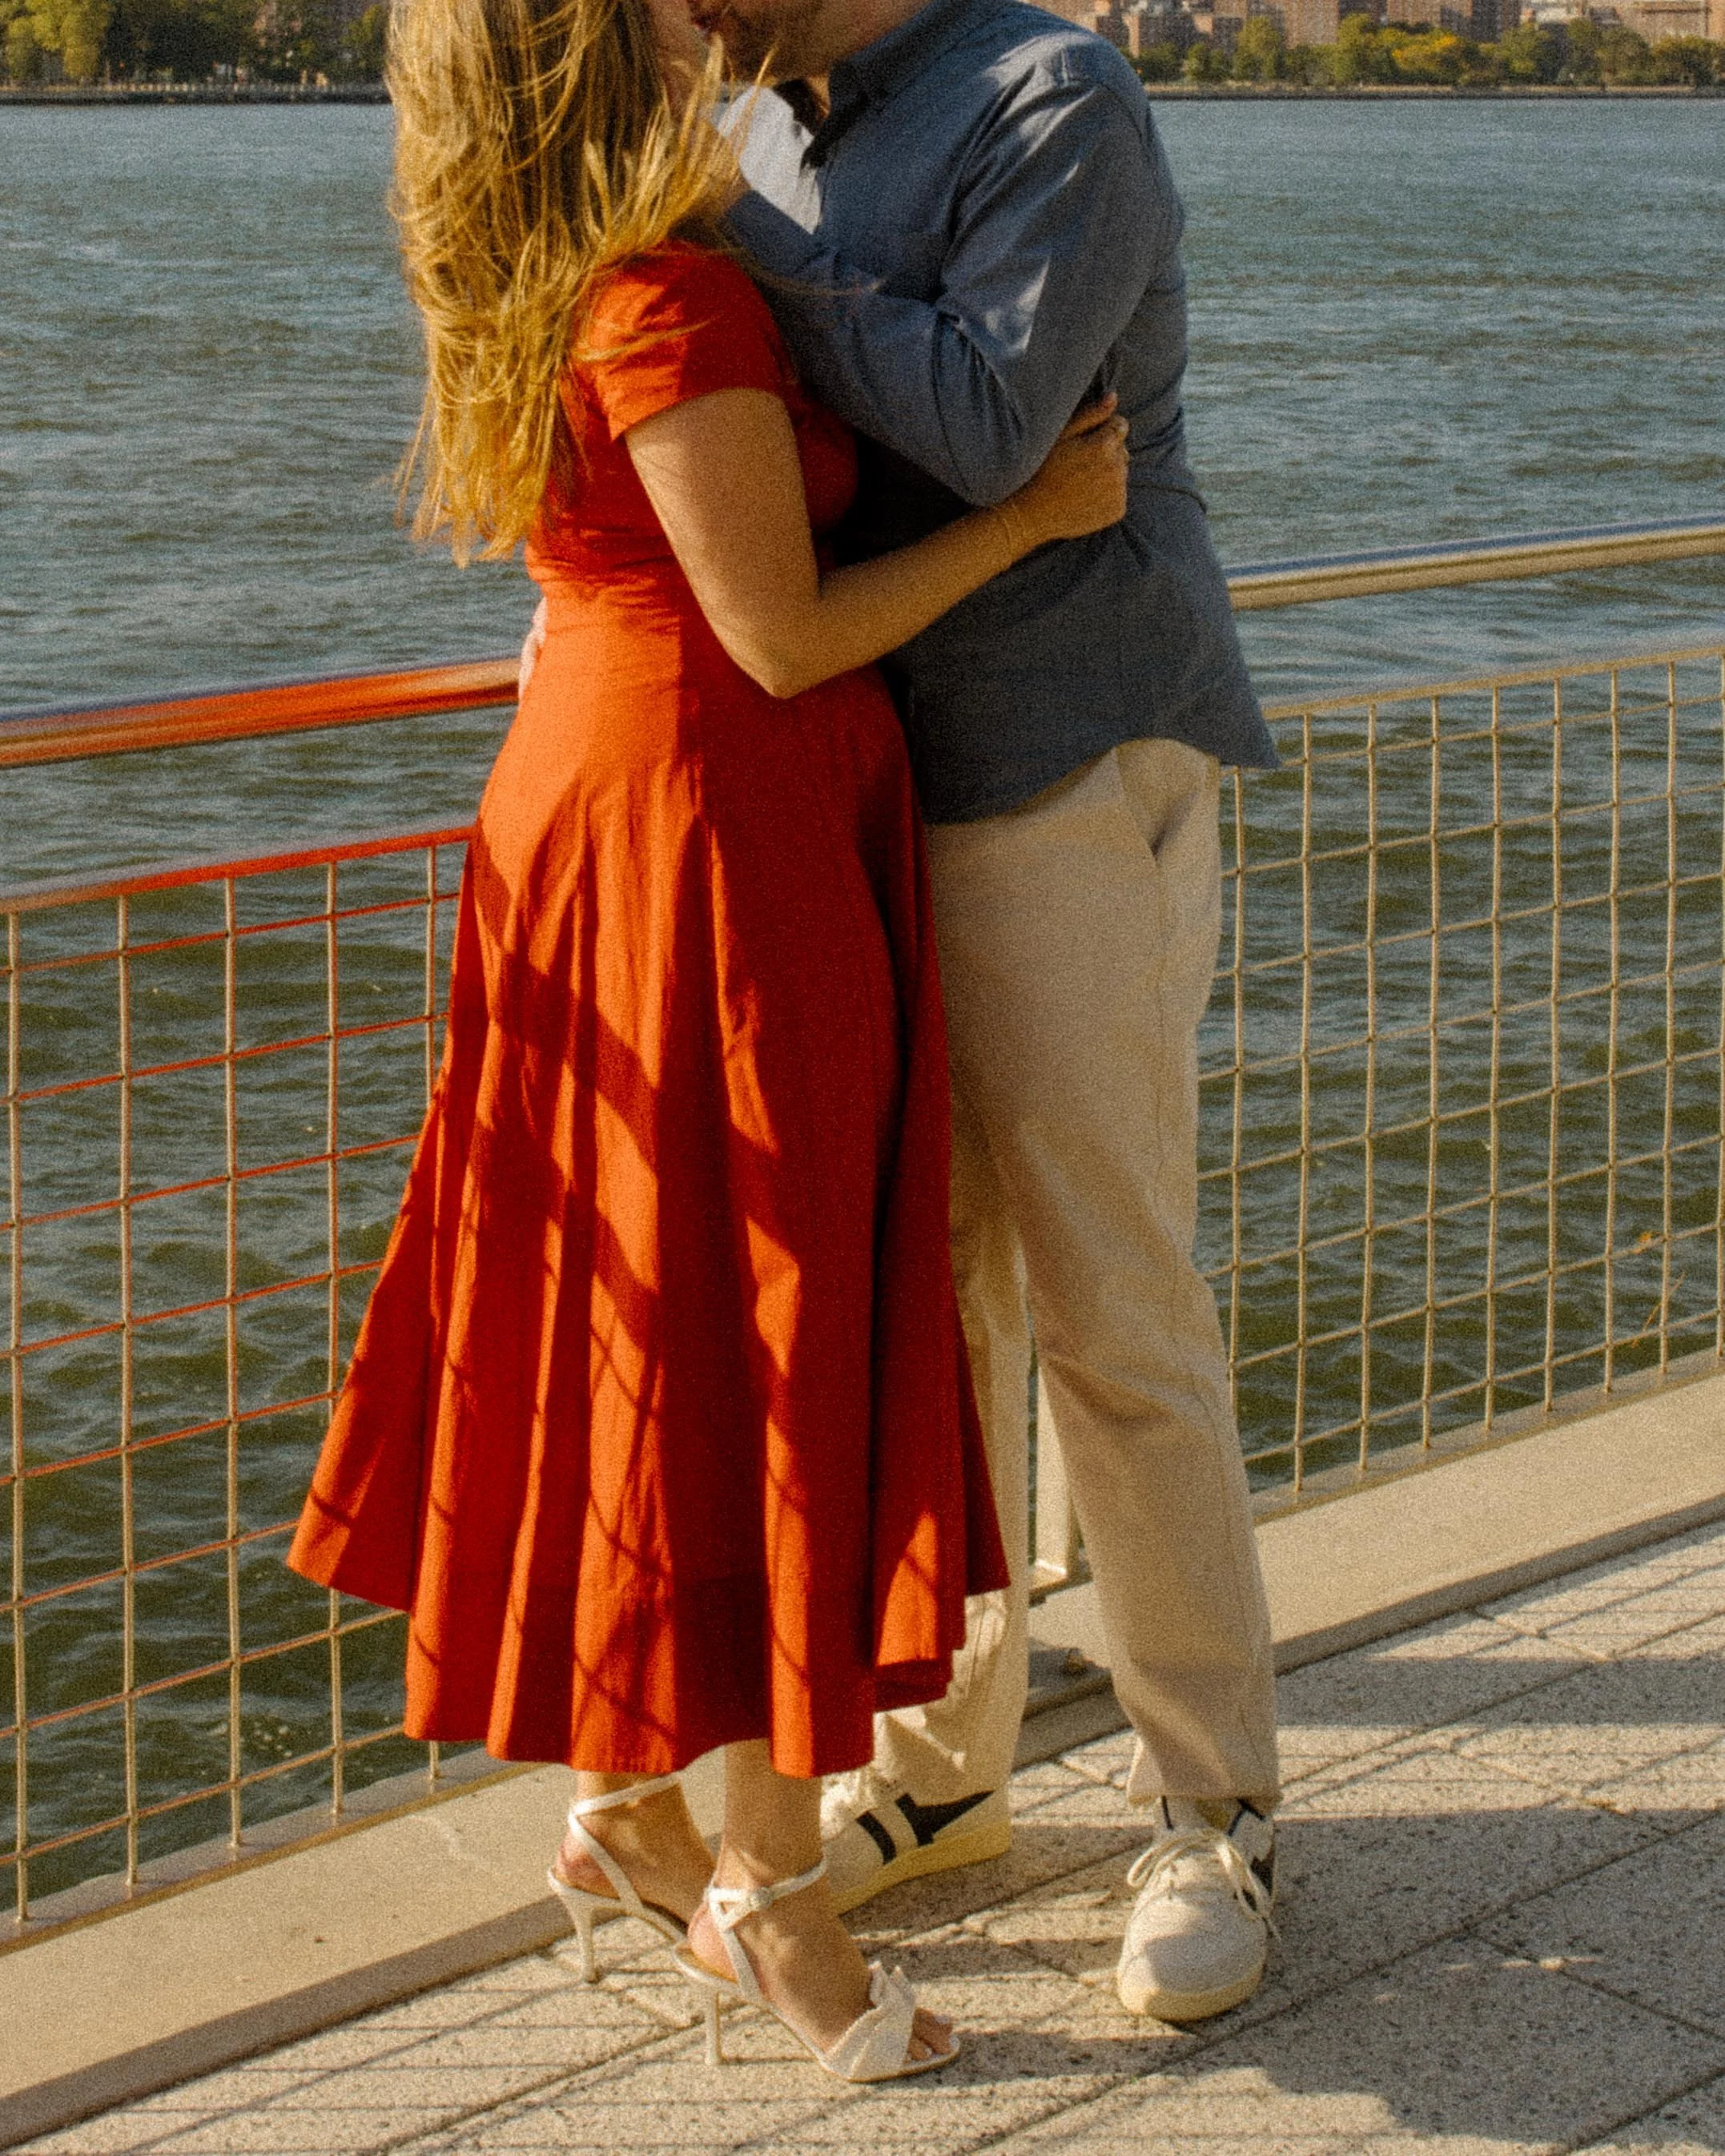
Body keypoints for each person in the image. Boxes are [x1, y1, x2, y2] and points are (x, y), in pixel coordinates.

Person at [286, 0, 1132, 2087]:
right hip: (710, 836)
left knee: (642, 1327)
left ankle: (641, 1798)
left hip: (621, 801)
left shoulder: (559, 272)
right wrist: (1032, 518)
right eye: (652, 17)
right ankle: (767, 1883)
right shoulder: (668, 297)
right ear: (599, 72)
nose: (697, 26)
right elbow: (783, 628)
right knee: (750, 1328)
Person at [696, 0, 1289, 2025]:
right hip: (867, 782)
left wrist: (736, 251)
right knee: (931, 1302)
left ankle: (1215, 1804)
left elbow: (982, 422)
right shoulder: (770, 132)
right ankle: (944, 1778)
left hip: (1058, 753)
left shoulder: (1056, 99)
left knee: (1109, 1299)